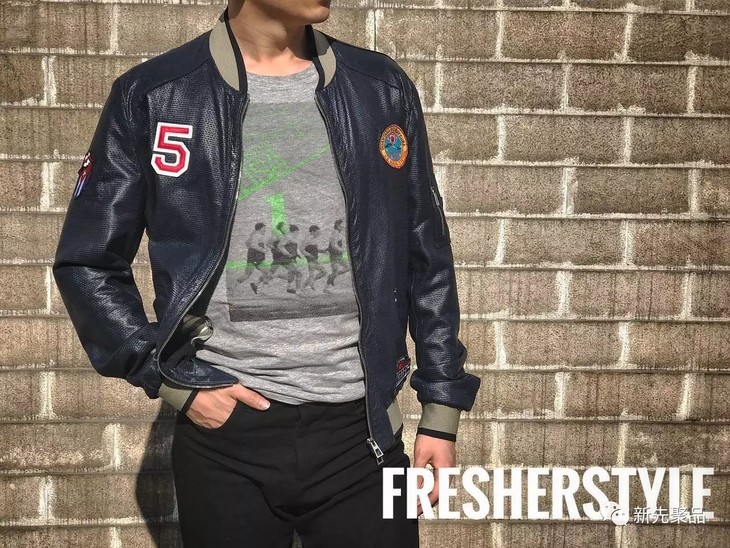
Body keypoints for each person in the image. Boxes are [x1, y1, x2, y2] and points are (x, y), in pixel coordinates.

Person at [52, 0, 481, 546]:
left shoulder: (380, 88)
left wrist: (441, 408)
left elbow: (427, 254)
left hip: (363, 434)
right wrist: (171, 381)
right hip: (226, 442)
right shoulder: (156, 94)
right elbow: (88, 260)